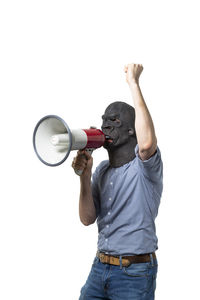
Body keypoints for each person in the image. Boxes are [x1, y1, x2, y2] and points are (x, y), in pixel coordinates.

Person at [72, 63, 163, 300]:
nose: (106, 126)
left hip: (133, 274)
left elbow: (145, 144)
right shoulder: (102, 170)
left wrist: (133, 82)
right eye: (104, 120)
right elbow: (86, 218)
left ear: (133, 130)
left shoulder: (145, 167)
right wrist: (85, 175)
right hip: (100, 267)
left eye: (115, 120)